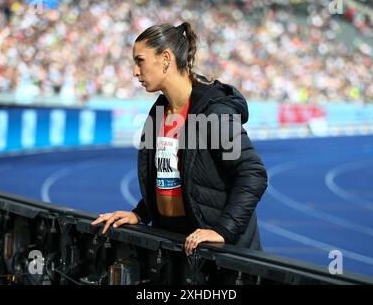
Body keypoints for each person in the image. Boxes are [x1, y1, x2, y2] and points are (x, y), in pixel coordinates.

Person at [92, 22, 268, 256]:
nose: (135, 72)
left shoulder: (213, 113)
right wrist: (140, 214)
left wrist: (223, 231)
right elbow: (171, 179)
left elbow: (252, 173)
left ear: (165, 58)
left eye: (140, 60)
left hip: (219, 256)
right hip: (176, 247)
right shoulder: (158, 113)